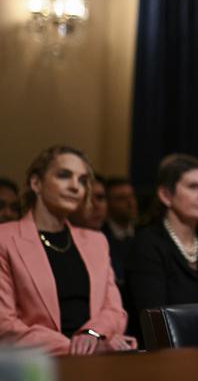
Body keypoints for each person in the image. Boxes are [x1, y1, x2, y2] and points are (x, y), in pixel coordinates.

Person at [0, 146, 135, 355]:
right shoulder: (5, 238)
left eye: (82, 180)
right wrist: (78, 348)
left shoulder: (96, 241)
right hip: (37, 363)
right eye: (64, 176)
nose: (75, 187)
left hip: (97, 356)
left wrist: (93, 334)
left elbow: (114, 311)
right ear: (36, 183)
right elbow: (5, 326)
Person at [125, 154, 198, 341]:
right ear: (166, 195)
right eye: (193, 186)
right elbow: (154, 318)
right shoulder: (147, 244)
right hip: (165, 356)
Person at [101, 177, 137, 292]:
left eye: (131, 196)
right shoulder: (101, 238)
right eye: (121, 199)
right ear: (108, 203)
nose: (130, 203)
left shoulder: (144, 234)